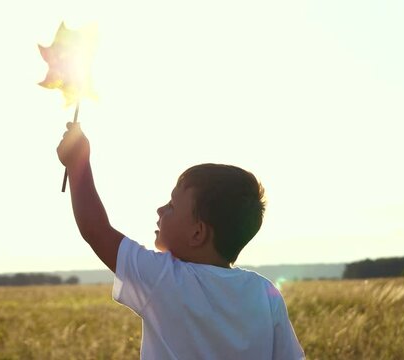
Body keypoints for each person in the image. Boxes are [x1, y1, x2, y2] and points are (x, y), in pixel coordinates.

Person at [57, 122, 305, 359]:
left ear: (198, 233)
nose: (160, 210)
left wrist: (78, 163)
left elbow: (95, 230)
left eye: (172, 206)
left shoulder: (165, 278)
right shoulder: (264, 293)